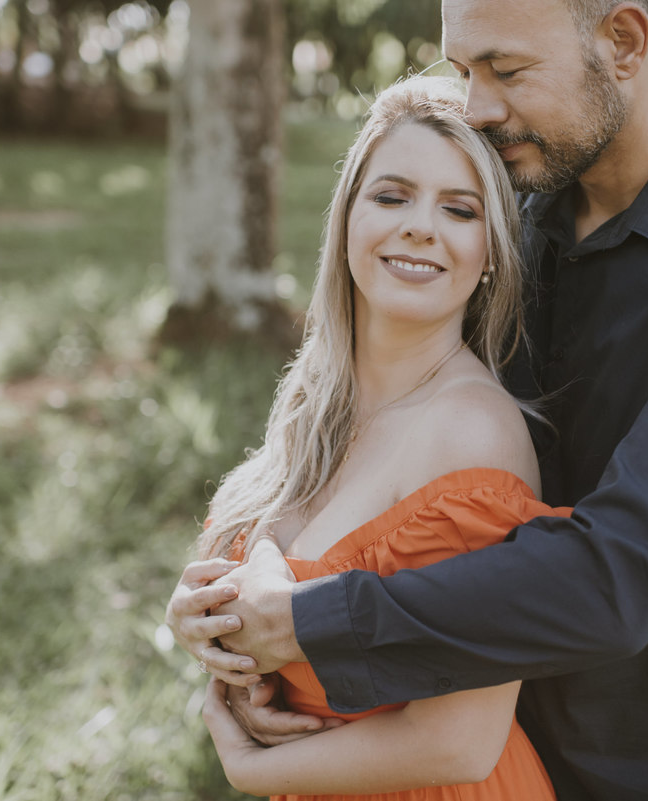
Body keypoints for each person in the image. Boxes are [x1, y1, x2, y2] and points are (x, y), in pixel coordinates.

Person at [168, 0, 648, 798]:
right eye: (464, 72)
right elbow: (372, 430)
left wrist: (305, 623)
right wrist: (221, 604)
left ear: (624, 42)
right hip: (487, 744)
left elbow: (624, 572)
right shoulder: (504, 205)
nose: (477, 108)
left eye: (507, 70)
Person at [191, 75, 566, 799]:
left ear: (491, 249)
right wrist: (205, 622)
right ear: (348, 219)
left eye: (459, 209)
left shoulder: (472, 432)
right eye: (392, 196)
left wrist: (249, 765)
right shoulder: (314, 399)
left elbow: (459, 741)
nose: (419, 226)